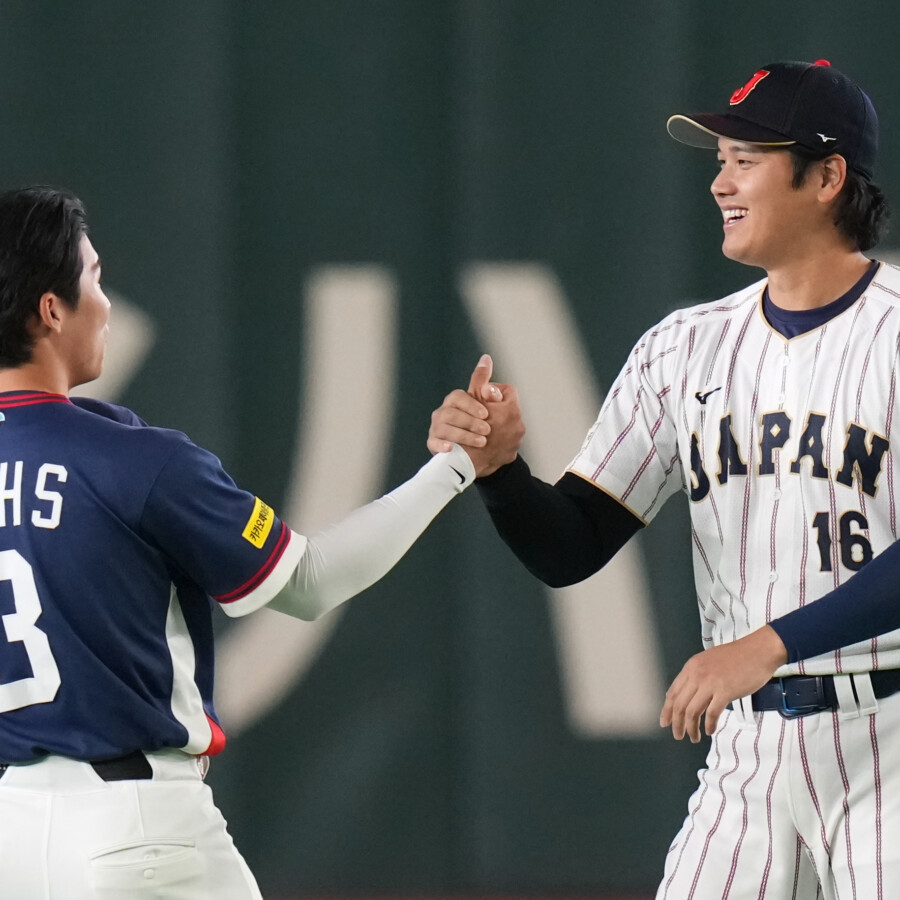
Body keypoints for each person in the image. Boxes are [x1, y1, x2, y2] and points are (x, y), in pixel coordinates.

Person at [428, 60, 899, 899]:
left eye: (745, 159)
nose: (720, 182)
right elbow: (571, 545)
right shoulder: (683, 349)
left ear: (827, 176)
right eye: (719, 160)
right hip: (749, 752)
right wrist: (501, 473)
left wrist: (765, 645)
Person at [0, 186, 479, 899]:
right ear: (50, 308)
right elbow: (308, 581)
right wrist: (457, 467)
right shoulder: (135, 460)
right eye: (94, 277)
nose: (104, 299)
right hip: (133, 826)